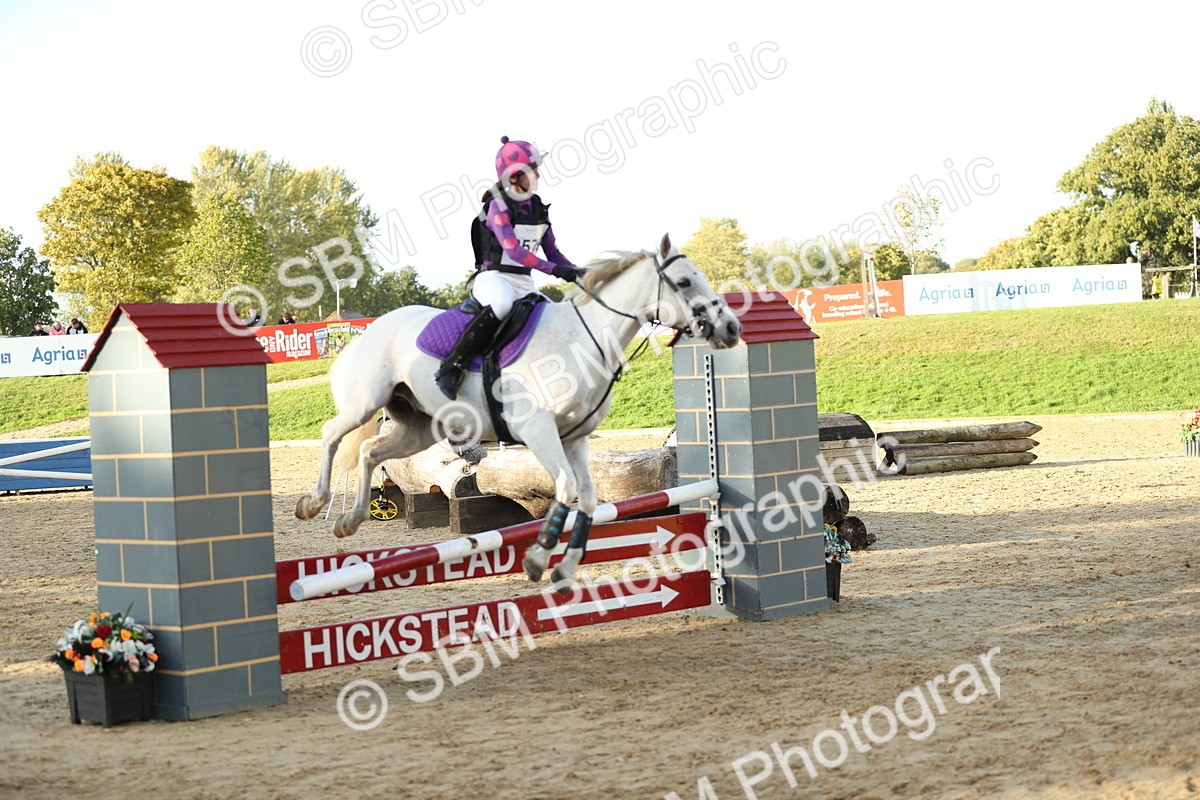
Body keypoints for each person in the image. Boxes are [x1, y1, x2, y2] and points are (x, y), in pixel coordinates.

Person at [435, 136, 582, 399]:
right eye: (533, 169)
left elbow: (553, 252)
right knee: (501, 304)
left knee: (553, 317)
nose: (538, 174)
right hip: (494, 278)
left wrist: (578, 272)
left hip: (524, 283)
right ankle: (452, 367)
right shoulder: (498, 205)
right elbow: (513, 249)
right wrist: (554, 271)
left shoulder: (538, 208)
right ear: (515, 175)